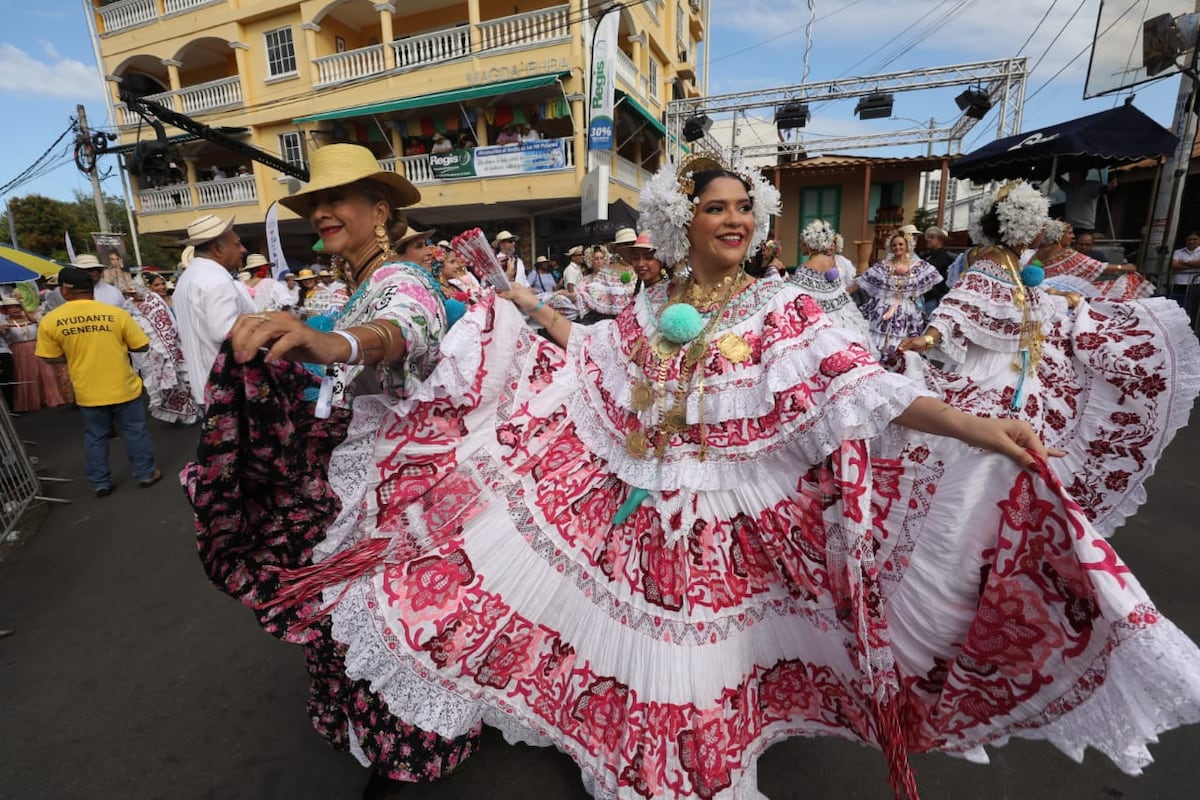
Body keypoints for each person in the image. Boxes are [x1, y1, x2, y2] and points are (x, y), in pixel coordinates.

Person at [227, 153, 1200, 799]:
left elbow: (867, 390)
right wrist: (525, 305)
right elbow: (594, 348)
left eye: (744, 207)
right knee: (582, 641)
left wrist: (981, 427)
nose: (734, 218)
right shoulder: (654, 304)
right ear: (679, 221)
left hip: (728, 530)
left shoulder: (786, 309)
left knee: (700, 684)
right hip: (637, 516)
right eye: (715, 206)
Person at [182, 143, 479, 797]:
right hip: (366, 488)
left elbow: (400, 329)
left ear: (380, 210)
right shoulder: (360, 287)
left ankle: (405, 751)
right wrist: (304, 333)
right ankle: (387, 741)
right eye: (316, 201)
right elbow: (348, 334)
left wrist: (332, 343)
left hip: (403, 496)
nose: (321, 212)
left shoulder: (402, 280)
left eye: (337, 198)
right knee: (363, 625)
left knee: (392, 627)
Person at [898, 180, 1200, 536]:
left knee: (1017, 449)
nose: (1044, 229)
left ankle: (1006, 524)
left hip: (1022, 372)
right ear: (1022, 226)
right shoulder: (991, 262)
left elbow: (1030, 298)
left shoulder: (1014, 264)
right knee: (987, 454)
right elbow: (958, 304)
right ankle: (975, 528)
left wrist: (1066, 299)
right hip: (993, 370)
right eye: (1039, 222)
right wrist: (929, 338)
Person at [36, 267, 162, 496]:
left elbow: (49, 357)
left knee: (95, 437)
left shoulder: (51, 320)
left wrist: (75, 354)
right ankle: (145, 473)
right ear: (92, 288)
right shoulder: (116, 314)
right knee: (135, 431)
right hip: (124, 386)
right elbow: (142, 345)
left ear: (65, 291)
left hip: (88, 391)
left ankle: (100, 483)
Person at [172, 214, 254, 407]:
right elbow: (225, 333)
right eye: (237, 244)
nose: (243, 250)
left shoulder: (187, 278)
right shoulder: (216, 279)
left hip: (204, 386)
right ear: (218, 248)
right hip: (226, 388)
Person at [850, 230, 941, 354]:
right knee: (875, 340)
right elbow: (863, 281)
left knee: (902, 342)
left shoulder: (917, 266)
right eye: (894, 245)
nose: (897, 247)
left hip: (905, 309)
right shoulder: (883, 266)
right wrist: (842, 292)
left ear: (907, 246)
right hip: (882, 307)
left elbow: (934, 278)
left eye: (901, 244)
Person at [792, 219, 871, 346]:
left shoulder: (805, 267)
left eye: (802, 243)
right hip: (840, 318)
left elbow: (797, 296)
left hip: (820, 322)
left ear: (809, 244)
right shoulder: (831, 261)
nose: (800, 246)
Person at [1036, 219, 1152, 301]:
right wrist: (1124, 267)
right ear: (1059, 236)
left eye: (1087, 245)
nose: (1073, 236)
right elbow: (1099, 267)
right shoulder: (1067, 253)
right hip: (1061, 294)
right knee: (1128, 283)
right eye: (1070, 233)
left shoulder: (1037, 252)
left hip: (1043, 292)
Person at [574, 230, 637, 324]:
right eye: (626, 245)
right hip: (617, 322)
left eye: (633, 244)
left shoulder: (642, 267)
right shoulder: (606, 272)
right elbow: (590, 297)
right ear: (618, 248)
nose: (630, 248)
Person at [1058, 168, 1115, 234]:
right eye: (1070, 174)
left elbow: (1101, 190)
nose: (1070, 176)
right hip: (1069, 226)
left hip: (1085, 227)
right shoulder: (1069, 187)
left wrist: (1109, 187)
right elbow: (1058, 180)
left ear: (1081, 175)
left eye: (1073, 174)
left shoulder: (1091, 185)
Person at [919, 225, 956, 312]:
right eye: (927, 237)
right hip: (926, 296)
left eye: (932, 237)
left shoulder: (941, 256)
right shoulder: (928, 255)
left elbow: (926, 271)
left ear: (940, 240)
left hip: (934, 298)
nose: (928, 240)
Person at [1169, 230, 1200, 320]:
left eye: (1195, 239)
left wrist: (1183, 262)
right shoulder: (1179, 252)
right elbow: (1174, 265)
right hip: (1179, 283)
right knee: (1177, 306)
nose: (1191, 242)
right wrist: (1194, 264)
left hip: (1196, 284)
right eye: (1189, 240)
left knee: (1193, 308)